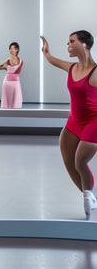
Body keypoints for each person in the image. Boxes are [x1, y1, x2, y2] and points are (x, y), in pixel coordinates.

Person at [41, 31, 97, 220]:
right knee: (68, 160)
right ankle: (89, 194)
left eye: (72, 41)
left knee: (80, 161)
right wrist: (46, 52)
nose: (68, 45)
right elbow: (52, 60)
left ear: (85, 44)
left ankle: (88, 195)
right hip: (74, 121)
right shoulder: (71, 67)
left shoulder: (95, 71)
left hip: (93, 122)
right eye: (68, 42)